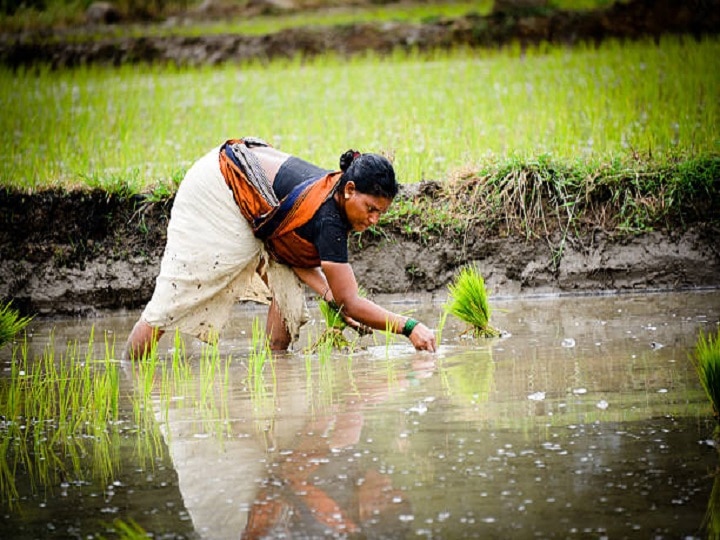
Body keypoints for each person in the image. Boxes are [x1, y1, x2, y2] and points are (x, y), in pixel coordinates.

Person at [125, 137, 437, 358]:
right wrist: (409, 327)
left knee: (288, 300)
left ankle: (276, 370)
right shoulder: (329, 219)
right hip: (219, 187)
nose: (374, 220)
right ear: (350, 190)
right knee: (173, 300)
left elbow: (291, 248)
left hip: (252, 193)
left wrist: (330, 297)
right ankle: (131, 372)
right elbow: (351, 301)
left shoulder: (335, 195)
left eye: (381, 213)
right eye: (370, 209)